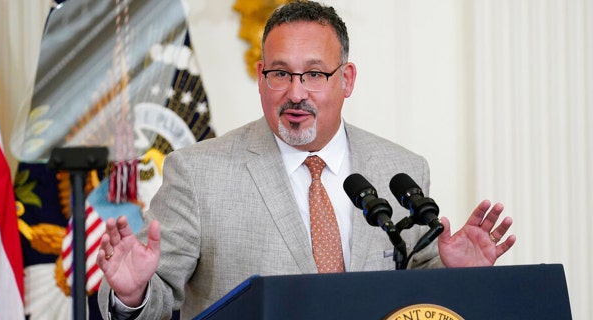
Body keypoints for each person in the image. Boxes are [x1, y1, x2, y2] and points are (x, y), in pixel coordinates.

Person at [96, 1, 516, 319]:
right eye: (280, 73)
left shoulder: (399, 168)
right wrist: (131, 293)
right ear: (262, 78)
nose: (296, 92)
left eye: (315, 74)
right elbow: (158, 296)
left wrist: (457, 274)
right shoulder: (198, 174)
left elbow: (414, 295)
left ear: (346, 79)